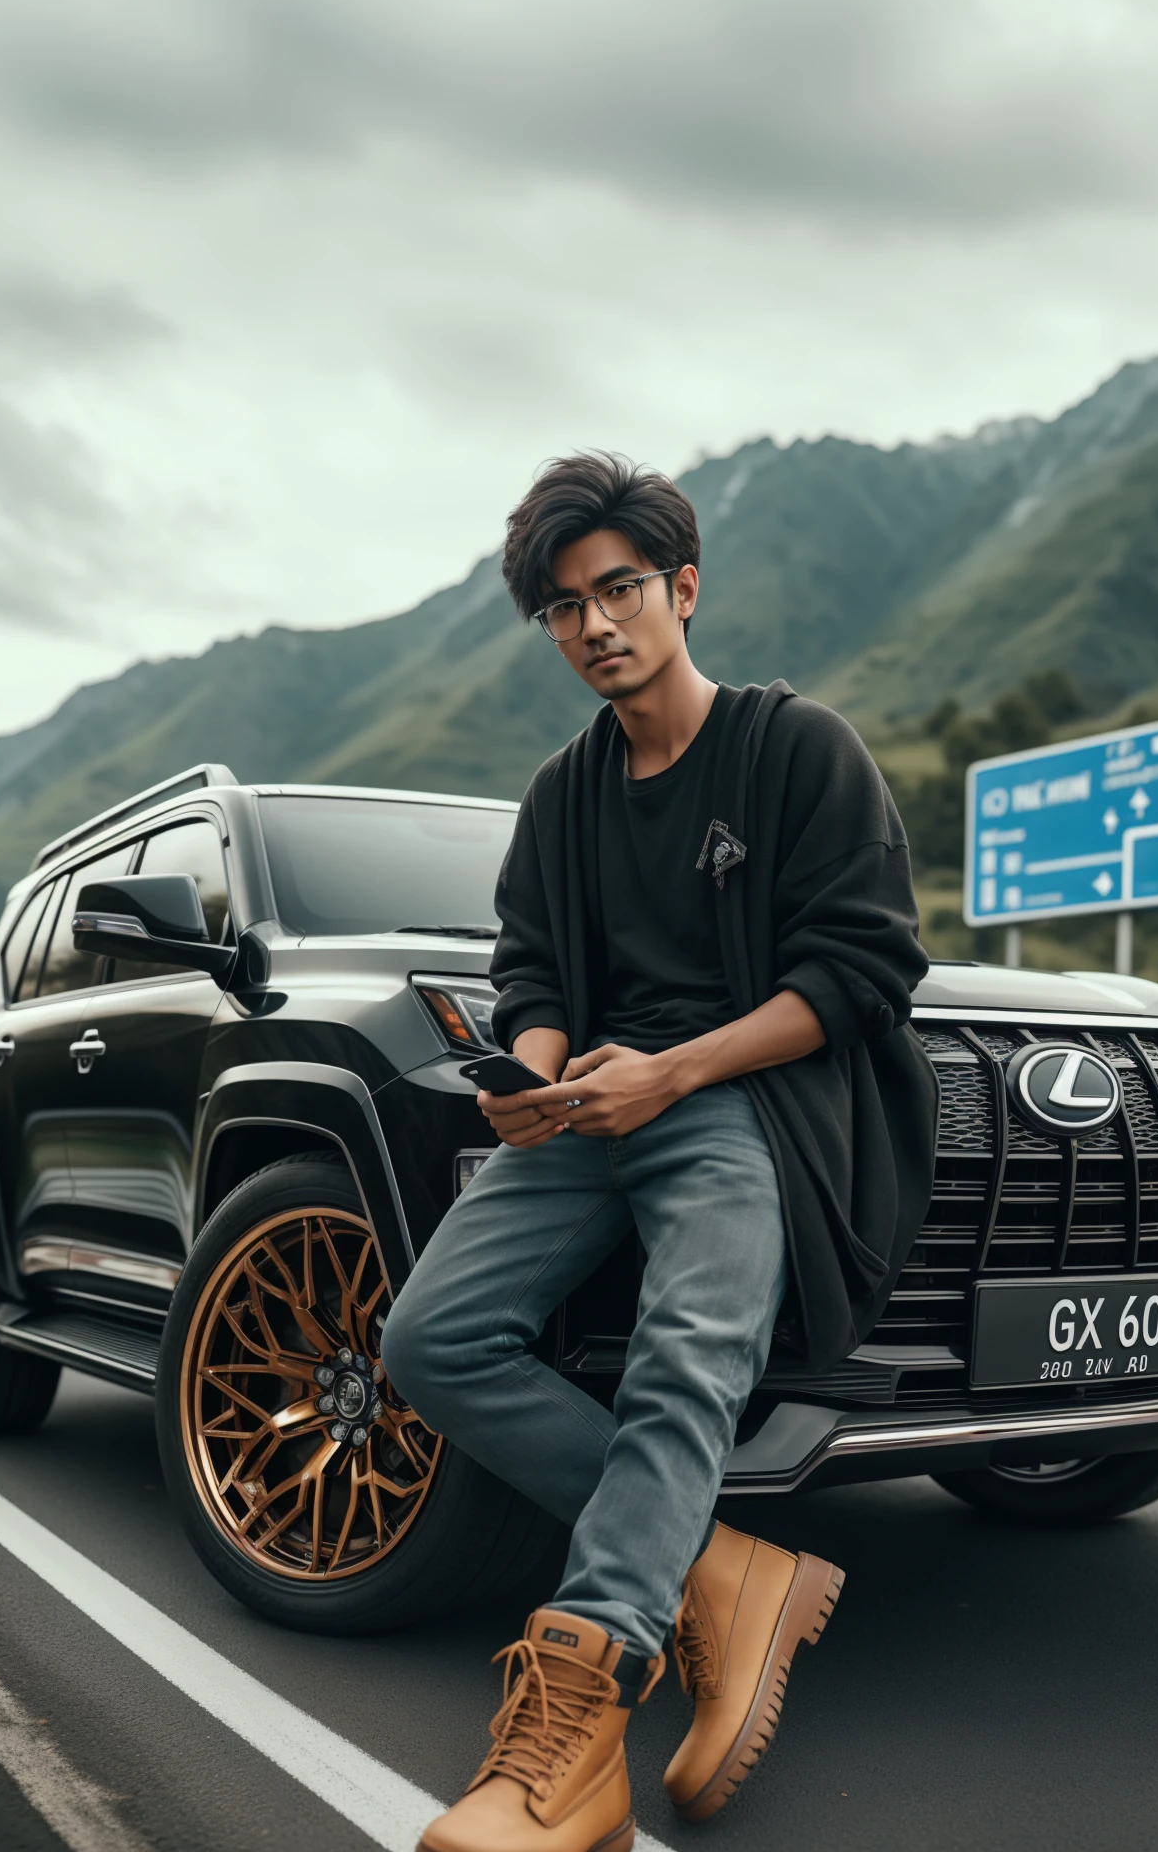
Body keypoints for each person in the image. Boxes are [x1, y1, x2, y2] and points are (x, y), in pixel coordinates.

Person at [382, 452, 937, 1852]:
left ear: (683, 587)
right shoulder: (560, 797)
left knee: (686, 1347)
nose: (593, 627)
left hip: (748, 1106)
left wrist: (675, 1072)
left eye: (618, 589)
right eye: (562, 608)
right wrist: (541, 1078)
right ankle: (721, 1567)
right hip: (590, 1116)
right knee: (431, 1341)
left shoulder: (795, 747)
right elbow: (534, 973)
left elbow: (869, 972)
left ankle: (579, 1716)